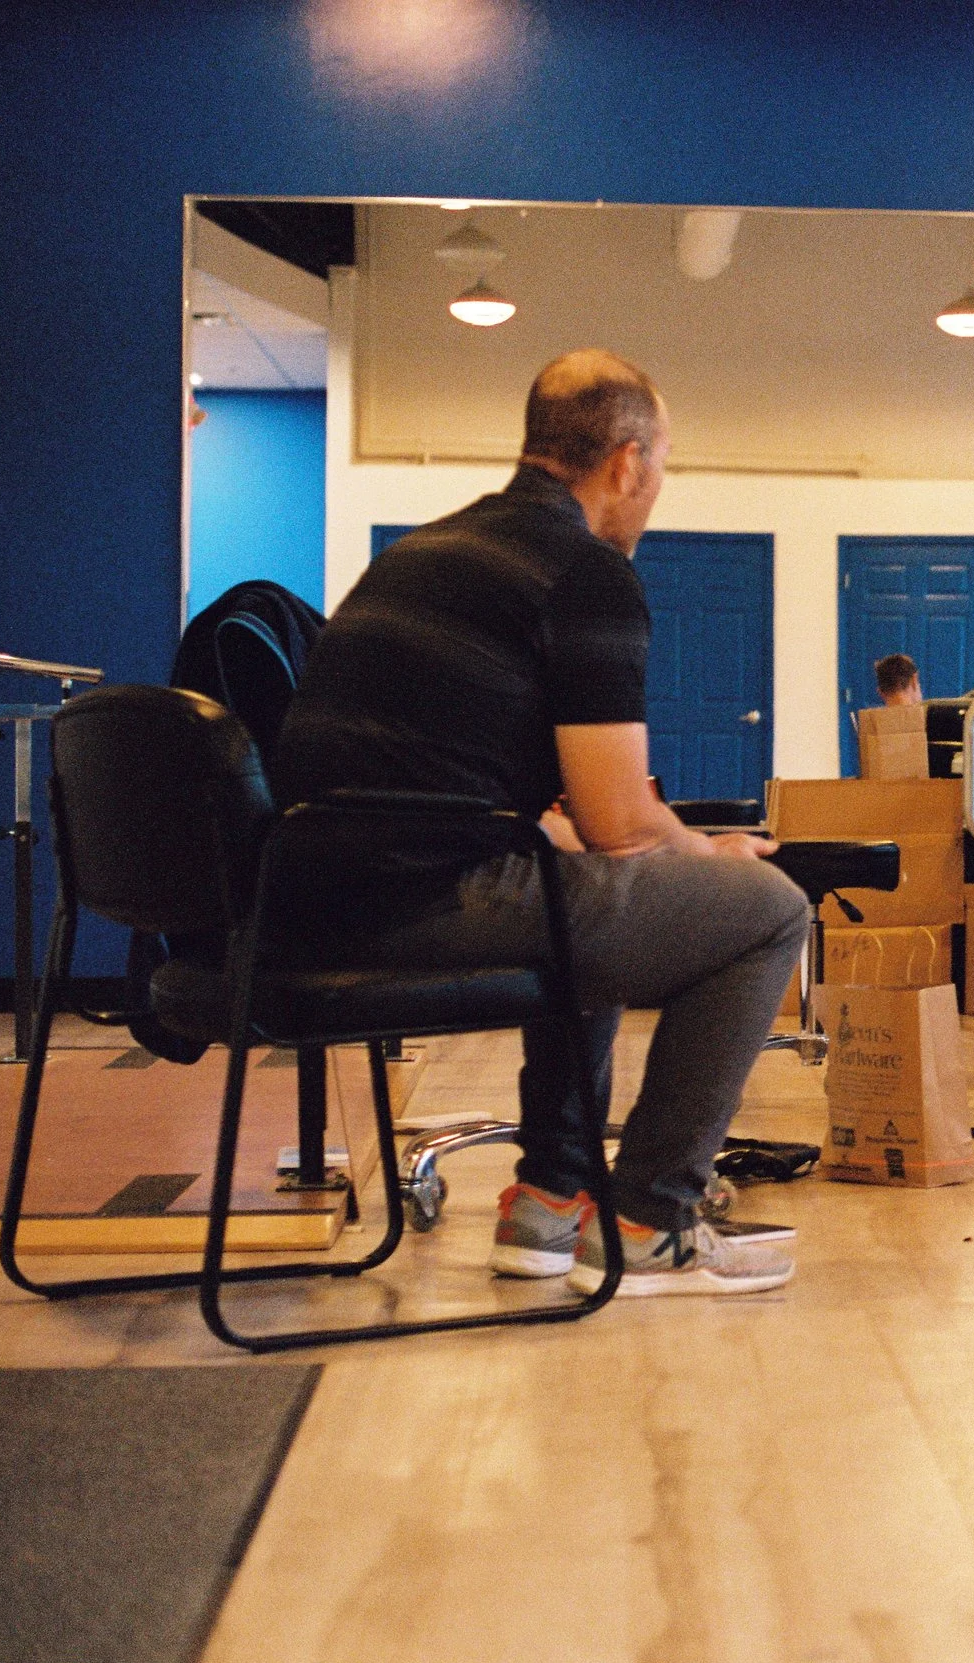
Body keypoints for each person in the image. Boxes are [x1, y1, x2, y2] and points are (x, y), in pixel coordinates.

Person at [274, 348, 812, 1297]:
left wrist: (597, 839)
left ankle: (551, 1199)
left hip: (305, 901)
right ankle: (649, 1217)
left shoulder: (422, 552)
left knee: (587, 886)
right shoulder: (585, 570)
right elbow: (620, 823)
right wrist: (715, 853)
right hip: (415, 903)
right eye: (661, 469)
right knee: (766, 907)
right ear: (630, 462)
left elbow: (565, 823)